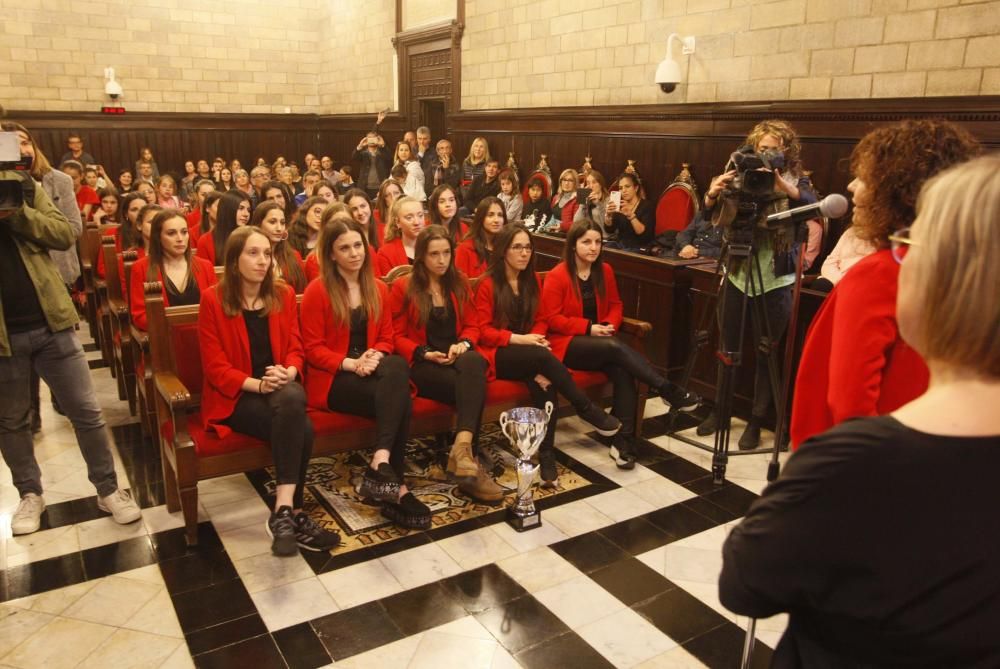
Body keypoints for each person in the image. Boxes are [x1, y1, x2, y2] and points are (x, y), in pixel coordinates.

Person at [720, 153, 1000, 668]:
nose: (901, 260)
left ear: (953, 284)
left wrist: (808, 485)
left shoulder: (859, 462)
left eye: (911, 246)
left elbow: (745, 584)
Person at [790, 119, 980, 449]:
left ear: (897, 190)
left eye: (864, 177)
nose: (851, 186)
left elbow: (851, 403)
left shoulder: (882, 273)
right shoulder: (964, 268)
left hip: (861, 459)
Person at [0, 155, 140, 535]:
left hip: (51, 321)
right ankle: (30, 494)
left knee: (86, 411)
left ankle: (108, 489)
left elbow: (64, 233)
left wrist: (17, 214)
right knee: (12, 421)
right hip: (3, 337)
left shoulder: (22, 185)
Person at [198, 226, 340, 555]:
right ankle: (294, 512)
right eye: (253, 253)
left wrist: (288, 371)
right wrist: (260, 384)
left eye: (267, 253)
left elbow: (295, 347)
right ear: (234, 261)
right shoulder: (213, 299)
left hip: (279, 390)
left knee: (292, 399)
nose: (263, 261)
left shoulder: (283, 294)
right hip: (236, 397)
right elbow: (215, 368)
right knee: (300, 424)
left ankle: (284, 510)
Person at [300, 214, 431, 529]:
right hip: (334, 378)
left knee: (396, 366)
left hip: (372, 370)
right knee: (401, 399)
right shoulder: (318, 291)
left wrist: (375, 354)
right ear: (331, 254)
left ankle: (381, 464)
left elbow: (386, 337)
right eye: (344, 248)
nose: (354, 253)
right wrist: (352, 364)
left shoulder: (376, 287)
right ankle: (394, 487)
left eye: (358, 245)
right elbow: (312, 348)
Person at [539, 220, 701, 468]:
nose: (593, 247)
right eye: (586, 242)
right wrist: (589, 328)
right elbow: (551, 319)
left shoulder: (604, 271)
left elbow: (616, 305)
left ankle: (623, 441)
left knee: (622, 368)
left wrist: (608, 325)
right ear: (573, 245)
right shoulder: (558, 275)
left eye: (597, 242)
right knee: (614, 348)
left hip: (601, 342)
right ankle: (668, 389)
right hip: (568, 344)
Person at [697, 119, 818, 449]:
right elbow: (707, 217)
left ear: (785, 150)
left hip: (775, 276)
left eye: (774, 149)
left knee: (767, 351)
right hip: (738, 271)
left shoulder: (795, 178)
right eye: (762, 149)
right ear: (753, 147)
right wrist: (712, 193)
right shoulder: (738, 172)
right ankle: (720, 412)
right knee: (728, 349)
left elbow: (813, 206)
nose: (766, 155)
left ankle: (756, 419)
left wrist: (785, 188)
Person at [474, 223, 624, 485]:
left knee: (546, 385)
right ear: (503, 251)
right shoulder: (488, 284)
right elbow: (483, 332)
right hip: (497, 353)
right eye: (517, 247)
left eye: (528, 248)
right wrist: (524, 340)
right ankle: (586, 408)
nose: (524, 253)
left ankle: (546, 454)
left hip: (531, 354)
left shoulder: (530, 280)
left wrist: (537, 340)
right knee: (542, 360)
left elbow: (542, 319)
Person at [388, 225, 502, 504]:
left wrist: (462, 343)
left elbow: (473, 326)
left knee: (474, 359)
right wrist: (424, 353)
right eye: (434, 254)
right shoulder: (404, 286)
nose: (441, 260)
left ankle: (461, 451)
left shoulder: (459, 282)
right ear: (422, 257)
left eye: (446, 253)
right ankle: (468, 468)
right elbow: (395, 335)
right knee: (472, 389)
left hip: (456, 360)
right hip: (423, 364)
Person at [129, 209, 217, 330]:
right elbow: (140, 317)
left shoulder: (205, 266)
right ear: (158, 237)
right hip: (164, 339)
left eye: (184, 232)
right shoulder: (141, 268)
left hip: (203, 336)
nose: (180, 238)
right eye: (171, 233)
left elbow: (216, 308)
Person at [250, 201, 307, 294]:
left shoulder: (294, 256)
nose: (279, 228)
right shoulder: (249, 256)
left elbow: (302, 291)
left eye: (282, 223)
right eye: (272, 222)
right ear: (258, 224)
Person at [811, 223, 877, 292]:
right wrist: (840, 281)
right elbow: (829, 262)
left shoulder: (883, 241)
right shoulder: (851, 232)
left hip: (860, 286)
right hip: (836, 280)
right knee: (821, 285)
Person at [455, 196, 506, 279]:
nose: (496, 220)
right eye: (490, 215)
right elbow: (459, 284)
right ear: (481, 218)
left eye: (500, 215)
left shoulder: (506, 247)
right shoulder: (465, 248)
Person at [197, 190, 251, 266]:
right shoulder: (205, 241)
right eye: (241, 208)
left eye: (248, 210)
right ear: (227, 210)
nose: (246, 214)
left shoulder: (251, 238)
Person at [375, 196, 424, 276]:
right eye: (409, 218)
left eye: (420, 215)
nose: (417, 222)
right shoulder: (386, 253)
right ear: (398, 222)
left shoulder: (432, 246)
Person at [605, 173, 654, 251]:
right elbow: (610, 230)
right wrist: (608, 216)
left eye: (627, 186)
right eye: (620, 188)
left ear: (636, 188)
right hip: (620, 244)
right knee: (605, 249)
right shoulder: (619, 205)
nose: (623, 191)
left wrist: (631, 216)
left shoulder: (647, 206)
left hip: (638, 247)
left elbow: (645, 236)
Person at [353, 123, 390, 201]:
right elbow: (354, 158)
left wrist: (383, 145)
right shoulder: (363, 153)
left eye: (374, 138)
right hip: (365, 187)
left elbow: (389, 158)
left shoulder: (382, 152)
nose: (372, 140)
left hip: (381, 186)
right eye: (369, 138)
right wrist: (360, 146)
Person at [573, 170, 610, 235]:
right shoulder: (587, 200)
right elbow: (576, 222)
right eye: (588, 183)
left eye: (594, 182)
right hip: (588, 235)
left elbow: (607, 226)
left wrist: (598, 204)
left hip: (604, 237)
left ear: (600, 184)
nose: (591, 186)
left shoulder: (608, 200)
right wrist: (583, 204)